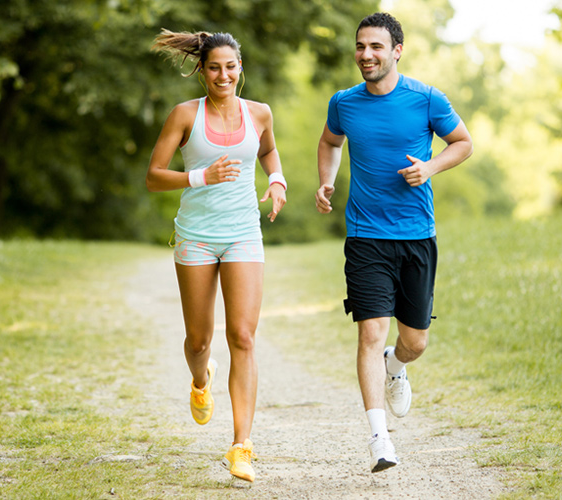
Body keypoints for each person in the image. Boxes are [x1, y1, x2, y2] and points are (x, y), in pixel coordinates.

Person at [315, 12, 473, 473]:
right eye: (361, 46)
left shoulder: (426, 99)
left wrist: (430, 168)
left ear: (397, 50)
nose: (366, 55)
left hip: (416, 236)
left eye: (376, 47)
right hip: (365, 237)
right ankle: (379, 440)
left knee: (415, 342)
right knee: (370, 332)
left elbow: (462, 142)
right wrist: (326, 181)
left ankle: (397, 367)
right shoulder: (344, 103)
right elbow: (329, 142)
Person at [146, 29, 287, 483]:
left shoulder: (259, 113)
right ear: (202, 70)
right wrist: (200, 176)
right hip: (197, 237)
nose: (223, 75)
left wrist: (278, 179)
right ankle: (201, 378)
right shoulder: (185, 115)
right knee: (199, 341)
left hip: (244, 232)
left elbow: (266, 150)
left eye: (230, 66)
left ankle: (241, 446)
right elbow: (153, 176)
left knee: (243, 337)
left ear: (240, 68)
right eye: (214, 67)